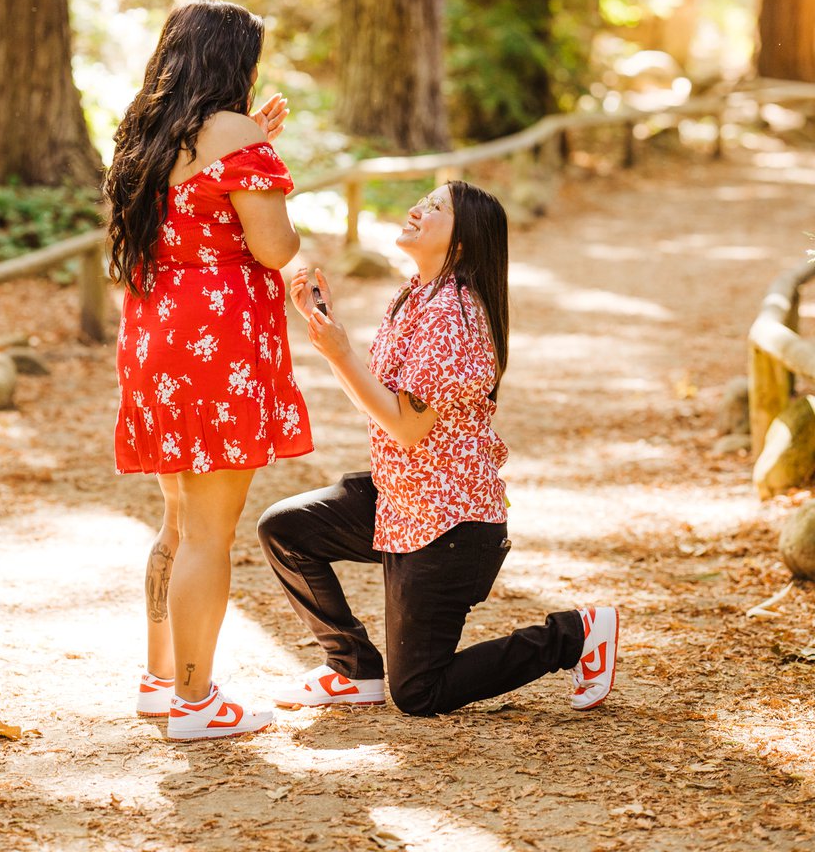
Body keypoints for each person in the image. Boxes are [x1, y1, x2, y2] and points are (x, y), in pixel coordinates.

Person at [257, 181, 619, 718]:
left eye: (435, 207)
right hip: (399, 500)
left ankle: (575, 634)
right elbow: (380, 399)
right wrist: (330, 336)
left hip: (450, 526)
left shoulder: (456, 316)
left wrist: (341, 352)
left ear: (464, 241)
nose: (417, 209)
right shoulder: (415, 295)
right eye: (423, 200)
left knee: (418, 693)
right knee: (286, 530)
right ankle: (352, 669)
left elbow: (406, 427)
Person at [104, 0, 313, 743]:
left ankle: (162, 682)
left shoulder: (147, 133)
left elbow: (195, 208)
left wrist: (258, 144)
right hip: (218, 346)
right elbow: (272, 247)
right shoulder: (235, 132)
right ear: (235, 61)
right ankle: (198, 703)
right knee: (209, 536)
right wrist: (260, 149)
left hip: (158, 341)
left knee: (177, 521)